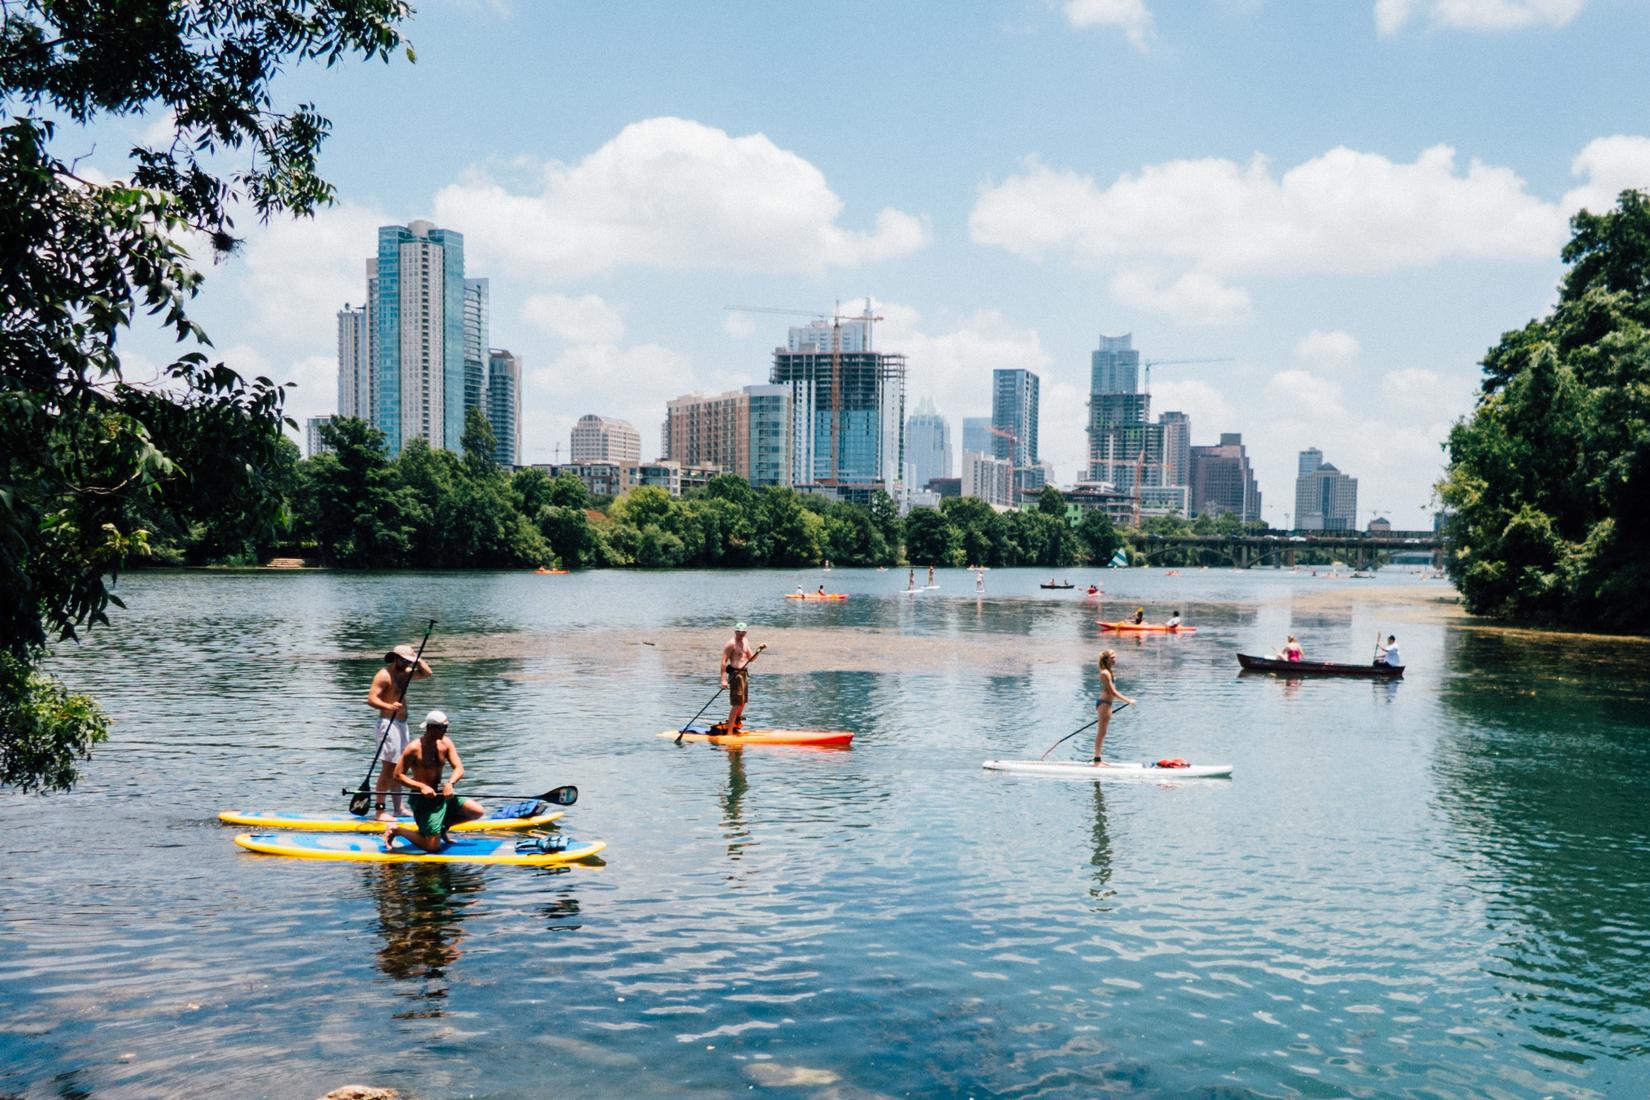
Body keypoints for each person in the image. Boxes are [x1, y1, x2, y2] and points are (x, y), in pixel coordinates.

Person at [383, 710, 483, 853]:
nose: (446, 731)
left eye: (446, 727)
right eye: (443, 728)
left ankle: (440, 829)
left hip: (441, 794)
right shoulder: (413, 748)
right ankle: (396, 830)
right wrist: (421, 786)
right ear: (430, 728)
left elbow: (459, 768)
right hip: (422, 799)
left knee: (476, 811)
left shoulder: (446, 743)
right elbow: (398, 775)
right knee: (433, 847)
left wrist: (450, 783)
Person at [366, 643, 433, 822]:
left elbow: (427, 673)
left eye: (408, 661)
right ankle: (380, 811)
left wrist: (417, 659)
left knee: (399, 767)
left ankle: (398, 808)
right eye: (403, 660)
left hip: (402, 724)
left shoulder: (405, 673)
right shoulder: (383, 675)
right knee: (388, 768)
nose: (406, 663)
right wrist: (389, 705)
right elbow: (371, 699)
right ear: (395, 657)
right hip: (388, 724)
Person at [715, 622, 766, 734]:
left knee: (743, 701)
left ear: (746, 632)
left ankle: (735, 724)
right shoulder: (731, 644)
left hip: (744, 674)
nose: (740, 634)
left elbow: (751, 659)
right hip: (735, 674)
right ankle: (729, 733)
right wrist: (723, 680)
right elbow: (723, 662)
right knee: (736, 703)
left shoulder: (746, 641)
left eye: (743, 632)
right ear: (735, 631)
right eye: (738, 632)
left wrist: (759, 650)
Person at [1092, 649, 1136, 766]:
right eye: (1112, 657)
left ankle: (1098, 759)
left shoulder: (1109, 671)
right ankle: (1097, 761)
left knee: (1103, 732)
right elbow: (1113, 692)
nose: (1115, 659)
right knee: (1101, 732)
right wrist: (1128, 701)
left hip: (1107, 704)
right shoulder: (1105, 673)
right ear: (1106, 659)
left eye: (1115, 657)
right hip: (1104, 704)